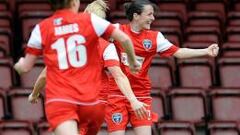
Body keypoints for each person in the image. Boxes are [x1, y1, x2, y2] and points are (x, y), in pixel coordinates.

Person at [13, 0, 148, 135]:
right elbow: (124, 41)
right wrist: (132, 62)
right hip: (92, 102)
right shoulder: (95, 29)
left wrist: (31, 87)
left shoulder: (43, 28)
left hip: (62, 99)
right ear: (74, 4)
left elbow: (31, 69)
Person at [105, 0, 219, 135]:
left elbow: (178, 52)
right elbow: (92, 35)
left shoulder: (155, 37)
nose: (152, 18)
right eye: (149, 14)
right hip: (117, 93)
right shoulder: (117, 30)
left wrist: (205, 51)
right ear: (136, 16)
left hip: (141, 94)